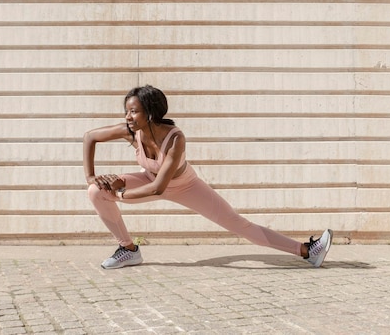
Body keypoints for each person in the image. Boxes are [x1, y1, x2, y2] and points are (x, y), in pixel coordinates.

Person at [84, 85, 333, 269]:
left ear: (150, 112)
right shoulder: (130, 131)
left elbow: (160, 188)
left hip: (185, 186)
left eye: (133, 112)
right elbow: (90, 137)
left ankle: (307, 251)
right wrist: (91, 177)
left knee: (238, 224)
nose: (128, 117)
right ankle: (128, 249)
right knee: (95, 192)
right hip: (148, 179)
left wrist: (118, 193)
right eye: (127, 111)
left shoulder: (175, 138)